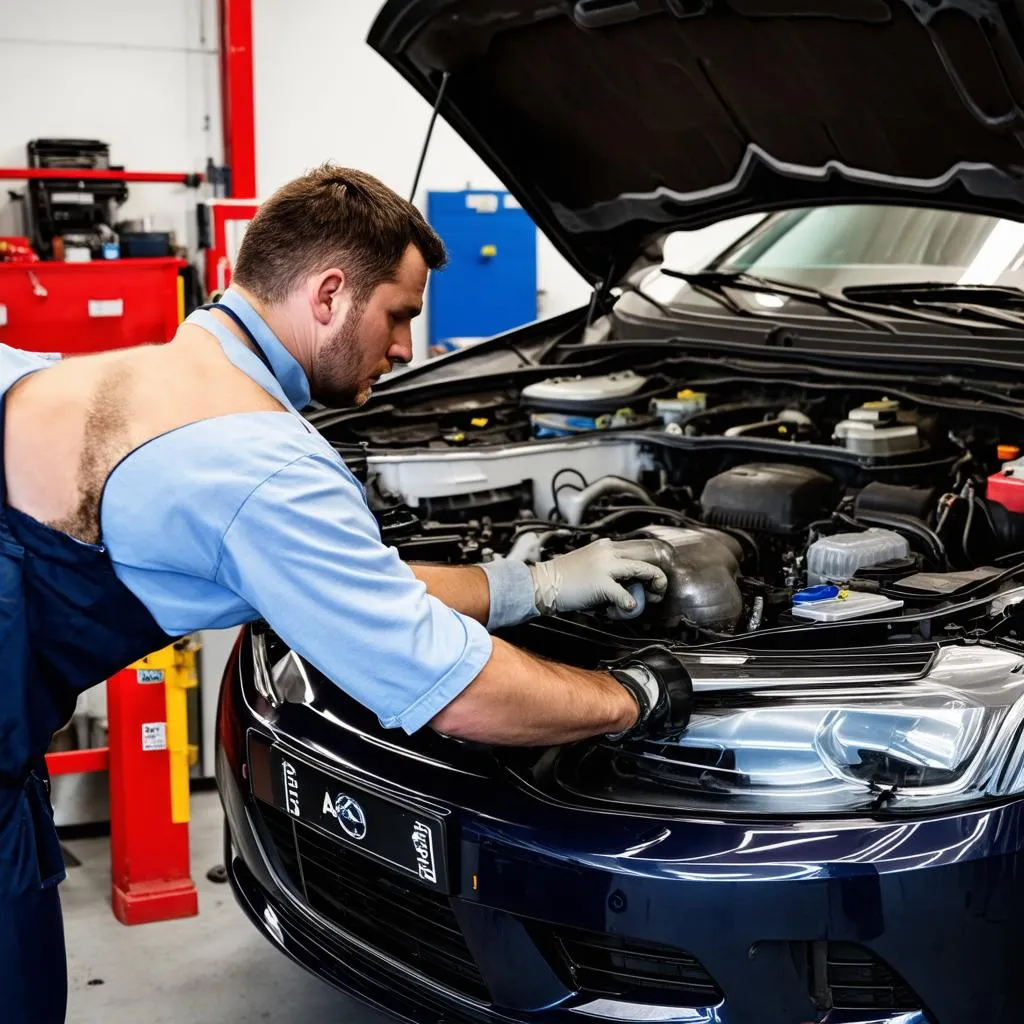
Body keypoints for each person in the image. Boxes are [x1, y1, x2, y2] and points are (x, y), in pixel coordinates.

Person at [0, 164, 692, 1023]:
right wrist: (634, 697)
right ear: (329, 293)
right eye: (398, 314)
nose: (404, 349)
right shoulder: (267, 465)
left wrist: (533, 583)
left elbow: (347, 586)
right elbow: (460, 692)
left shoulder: (120, 375)